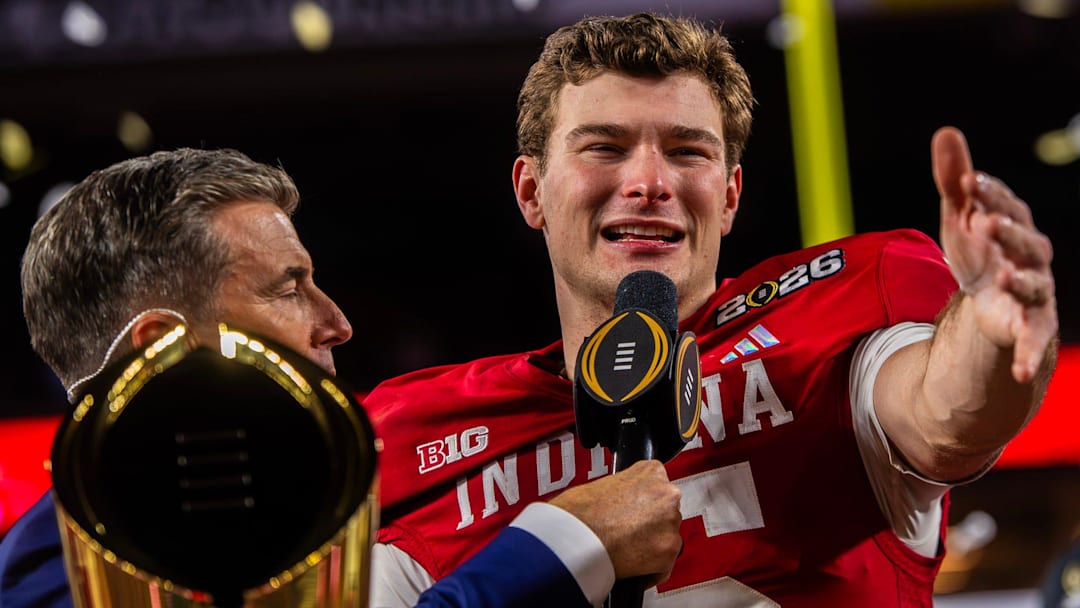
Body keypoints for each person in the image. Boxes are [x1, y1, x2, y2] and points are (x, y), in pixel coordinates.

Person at [362, 11, 1060, 607]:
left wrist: (992, 330)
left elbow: (944, 416)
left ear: (728, 196)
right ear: (531, 192)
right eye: (604, 147)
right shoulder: (409, 437)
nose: (648, 182)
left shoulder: (823, 319)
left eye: (686, 151)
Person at [0, 147, 684, 608]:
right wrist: (561, 550)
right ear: (162, 353)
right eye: (289, 287)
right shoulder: (58, 567)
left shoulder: (264, 517)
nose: (337, 323)